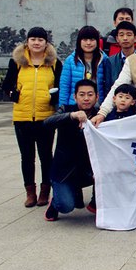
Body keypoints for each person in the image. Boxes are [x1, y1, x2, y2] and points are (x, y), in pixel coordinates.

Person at [1, 27, 63, 208]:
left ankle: (45, 191)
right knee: (27, 157)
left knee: (46, 156)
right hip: (22, 116)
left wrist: (54, 98)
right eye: (33, 39)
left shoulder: (54, 63)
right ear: (27, 42)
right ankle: (30, 192)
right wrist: (14, 95)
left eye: (40, 40)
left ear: (46, 43)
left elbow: (60, 85)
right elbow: (6, 85)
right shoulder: (17, 61)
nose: (36, 43)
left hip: (46, 117)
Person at [43, 79, 100, 221]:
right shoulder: (66, 109)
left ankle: (95, 202)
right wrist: (71, 116)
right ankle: (55, 202)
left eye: (90, 94)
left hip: (88, 169)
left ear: (97, 97)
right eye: (82, 94)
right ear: (75, 97)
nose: (86, 98)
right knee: (66, 206)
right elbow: (47, 123)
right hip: (64, 170)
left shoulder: (100, 115)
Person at [59, 26, 110, 107]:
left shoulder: (104, 60)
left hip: (98, 107)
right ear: (79, 41)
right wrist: (63, 108)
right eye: (85, 40)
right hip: (75, 106)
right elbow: (64, 87)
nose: (88, 43)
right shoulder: (70, 61)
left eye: (92, 40)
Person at [104, 21, 136, 89]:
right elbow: (108, 87)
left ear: (135, 38)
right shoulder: (110, 61)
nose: (125, 38)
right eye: (121, 35)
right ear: (117, 39)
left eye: (129, 35)